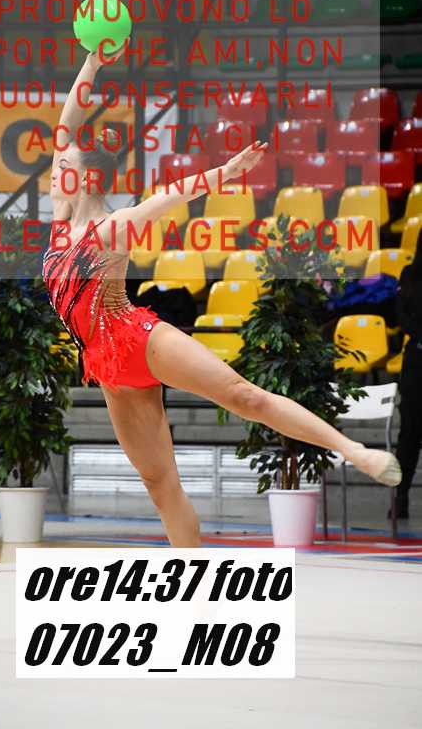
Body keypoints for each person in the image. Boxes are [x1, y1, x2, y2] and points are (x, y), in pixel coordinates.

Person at [43, 48, 401, 547]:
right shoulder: (61, 218)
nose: (56, 168)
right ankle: (194, 580)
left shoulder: (115, 226)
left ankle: (355, 451)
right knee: (159, 484)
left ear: (86, 178)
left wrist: (225, 173)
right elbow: (67, 123)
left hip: (137, 338)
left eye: (64, 166)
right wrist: (92, 65)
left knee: (244, 397)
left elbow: (170, 195)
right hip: (106, 366)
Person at [392, 231, 422, 519]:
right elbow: (401, 316)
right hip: (416, 358)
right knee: (409, 432)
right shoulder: (409, 274)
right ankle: (400, 497)